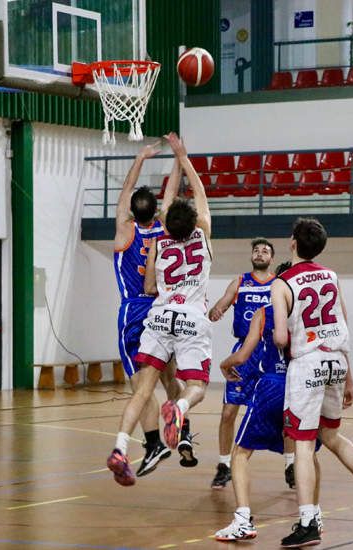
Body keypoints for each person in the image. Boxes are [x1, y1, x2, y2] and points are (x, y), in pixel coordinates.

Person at [271, 217, 353, 547]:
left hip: (307, 364)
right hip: (336, 361)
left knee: (302, 445)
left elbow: (282, 338)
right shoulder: (331, 276)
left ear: (293, 243)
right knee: (332, 434)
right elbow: (344, 326)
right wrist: (349, 376)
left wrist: (274, 334)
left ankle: (308, 522)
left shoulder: (282, 283)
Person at [107, 132, 214, 486]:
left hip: (145, 313)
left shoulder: (135, 234)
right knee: (178, 381)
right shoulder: (170, 231)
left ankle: (146, 444)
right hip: (177, 312)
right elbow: (176, 197)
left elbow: (126, 198)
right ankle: (180, 426)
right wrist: (179, 157)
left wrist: (140, 159)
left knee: (142, 384)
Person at [214, 262, 324, 542]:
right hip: (302, 386)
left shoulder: (264, 313)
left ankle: (242, 520)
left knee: (240, 454)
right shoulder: (311, 315)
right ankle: (312, 517)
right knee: (308, 453)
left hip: (273, 387)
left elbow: (242, 356)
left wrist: (225, 364)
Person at [207, 238, 278, 489]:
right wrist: (215, 311)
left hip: (271, 353)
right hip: (243, 354)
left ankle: (291, 464)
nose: (260, 253)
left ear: (272, 259)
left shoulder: (278, 284)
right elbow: (220, 306)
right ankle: (224, 465)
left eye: (265, 251)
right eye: (256, 250)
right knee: (228, 412)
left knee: (284, 414)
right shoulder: (239, 281)